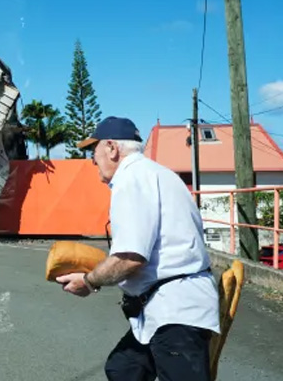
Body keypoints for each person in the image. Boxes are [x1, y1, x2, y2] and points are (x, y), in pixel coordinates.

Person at [55, 116, 220, 381]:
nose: (92, 161)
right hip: (167, 306)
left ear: (111, 148)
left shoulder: (130, 180)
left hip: (176, 311)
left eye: (92, 152)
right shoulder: (157, 173)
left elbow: (130, 258)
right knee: (123, 369)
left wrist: (88, 281)